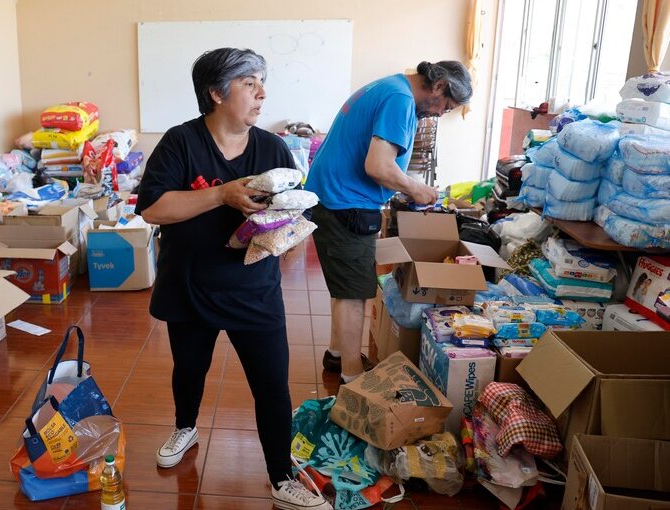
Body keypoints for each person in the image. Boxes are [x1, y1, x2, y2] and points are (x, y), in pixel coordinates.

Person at [135, 48, 332, 510]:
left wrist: (280, 227)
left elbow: (288, 213)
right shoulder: (181, 143)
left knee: (270, 384)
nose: (262, 93)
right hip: (189, 282)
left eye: (262, 82)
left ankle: (281, 478)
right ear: (216, 93)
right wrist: (223, 195)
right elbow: (153, 208)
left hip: (253, 289)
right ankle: (186, 427)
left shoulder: (271, 148)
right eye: (249, 83)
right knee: (189, 369)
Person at [305, 61, 473, 384]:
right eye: (446, 107)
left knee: (344, 285)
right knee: (355, 292)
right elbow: (378, 165)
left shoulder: (389, 87)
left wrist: (403, 186)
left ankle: (337, 354)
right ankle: (352, 378)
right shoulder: (400, 100)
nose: (439, 115)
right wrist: (417, 188)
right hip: (345, 203)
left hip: (331, 196)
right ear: (438, 87)